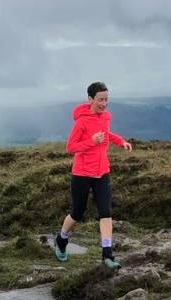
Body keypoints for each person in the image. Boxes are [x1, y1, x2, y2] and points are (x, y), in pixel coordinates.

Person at [54, 81, 132, 268]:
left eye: (106, 100)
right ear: (90, 99)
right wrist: (91, 141)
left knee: (106, 213)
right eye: (100, 100)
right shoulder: (81, 121)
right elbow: (70, 147)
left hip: (102, 172)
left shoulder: (105, 117)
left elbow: (106, 134)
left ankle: (107, 254)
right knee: (77, 213)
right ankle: (62, 239)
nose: (104, 104)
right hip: (82, 173)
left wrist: (121, 142)